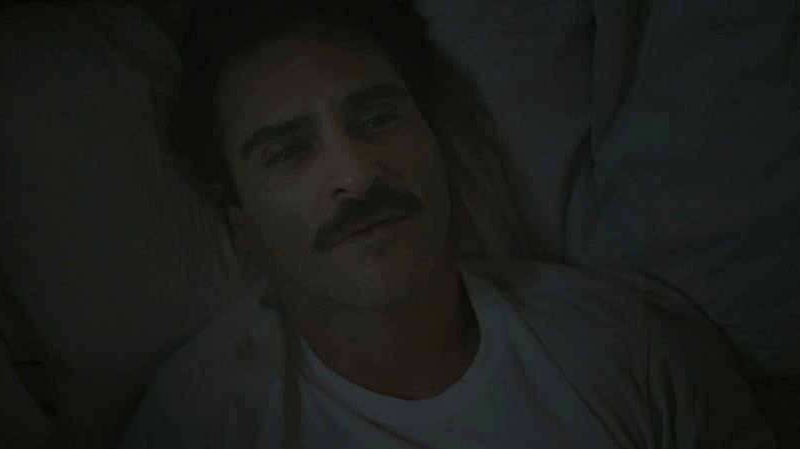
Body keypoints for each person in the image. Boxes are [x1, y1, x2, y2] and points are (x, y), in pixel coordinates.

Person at [119, 1, 775, 447]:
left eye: (377, 118)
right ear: (240, 222)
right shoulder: (199, 422)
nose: (357, 174)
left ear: (434, 141)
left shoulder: (628, 350)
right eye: (288, 151)